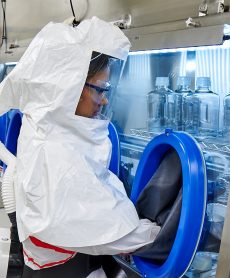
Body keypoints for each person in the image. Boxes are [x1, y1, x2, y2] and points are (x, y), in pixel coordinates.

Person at [0, 17, 160, 277]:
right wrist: (156, 235)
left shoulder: (51, 129)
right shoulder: (54, 151)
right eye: (100, 89)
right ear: (70, 88)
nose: (105, 100)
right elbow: (97, 227)